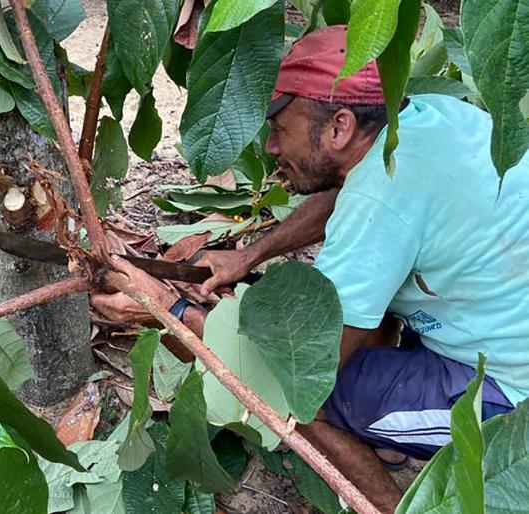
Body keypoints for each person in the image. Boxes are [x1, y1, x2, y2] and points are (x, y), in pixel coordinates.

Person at [94, 25, 529, 512]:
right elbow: (343, 196)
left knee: (303, 402)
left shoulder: (377, 207)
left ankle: (391, 506)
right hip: (504, 319)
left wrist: (166, 310)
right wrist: (247, 256)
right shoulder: (429, 120)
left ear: (340, 126)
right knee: (367, 319)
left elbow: (303, 374)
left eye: (282, 129)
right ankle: (396, 429)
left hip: (512, 393)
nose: (273, 147)